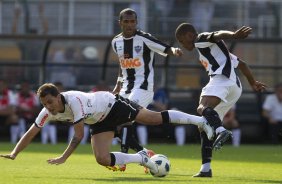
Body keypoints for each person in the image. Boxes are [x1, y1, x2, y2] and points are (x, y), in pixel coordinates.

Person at [0, 83, 215, 174]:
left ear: (58, 96)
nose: (48, 107)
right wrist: (14, 153)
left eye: (50, 102)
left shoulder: (74, 101)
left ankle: (200, 121)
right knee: (102, 159)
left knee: (152, 118)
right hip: (99, 120)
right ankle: (142, 158)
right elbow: (32, 131)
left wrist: (64, 157)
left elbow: (78, 136)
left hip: (112, 104)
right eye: (44, 104)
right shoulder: (48, 111)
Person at [175, 23, 266, 177]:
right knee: (204, 125)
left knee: (201, 108)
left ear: (189, 35)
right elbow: (242, 64)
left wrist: (233, 35)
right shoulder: (210, 51)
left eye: (181, 40)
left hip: (222, 80)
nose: (181, 44)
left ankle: (221, 130)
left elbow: (217, 34)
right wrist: (252, 82)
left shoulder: (200, 39)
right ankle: (206, 169)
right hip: (234, 87)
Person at [111, 8, 183, 172]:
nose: (129, 25)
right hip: (126, 88)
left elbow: (165, 48)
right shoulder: (116, 42)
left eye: (132, 21)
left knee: (126, 118)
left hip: (143, 88)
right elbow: (121, 64)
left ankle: (122, 160)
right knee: (112, 123)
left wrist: (174, 51)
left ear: (136, 22)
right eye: (126, 21)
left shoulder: (143, 38)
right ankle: (144, 153)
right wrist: (118, 84)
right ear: (120, 22)